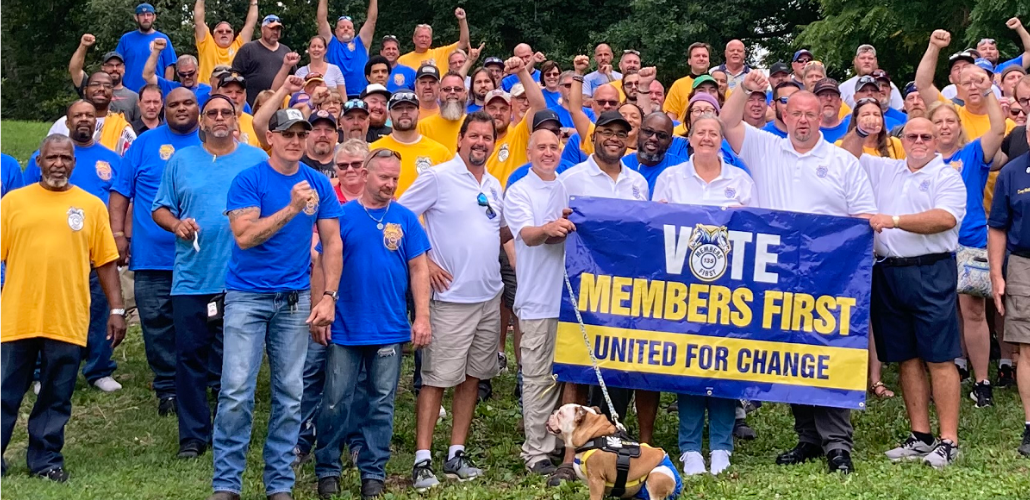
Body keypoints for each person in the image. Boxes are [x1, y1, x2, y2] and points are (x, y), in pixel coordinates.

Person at [723, 71, 876, 474]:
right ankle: (808, 436)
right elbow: (727, 122)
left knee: (828, 351)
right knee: (793, 354)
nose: (804, 120)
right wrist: (745, 86)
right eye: (796, 113)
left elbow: (863, 218)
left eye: (812, 113)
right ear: (783, 115)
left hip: (829, 274)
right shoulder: (764, 148)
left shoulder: (842, 162)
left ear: (824, 116)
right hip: (777, 271)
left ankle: (837, 443)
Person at [209, 108, 343, 500]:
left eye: (302, 134)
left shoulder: (318, 182)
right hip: (247, 297)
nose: (296, 141)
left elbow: (332, 243)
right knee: (236, 391)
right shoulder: (249, 179)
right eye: (288, 134)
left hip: (294, 300)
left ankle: (280, 483)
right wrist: (290, 209)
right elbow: (245, 237)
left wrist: (329, 297)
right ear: (271, 138)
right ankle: (226, 483)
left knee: (290, 393)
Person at [839, 117, 967, 469]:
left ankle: (949, 440)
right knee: (907, 357)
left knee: (939, 357)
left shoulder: (947, 176)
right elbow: (847, 156)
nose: (920, 140)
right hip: (890, 271)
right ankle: (921, 436)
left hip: (931, 269)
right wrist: (864, 130)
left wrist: (893, 220)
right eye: (912, 135)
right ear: (902, 139)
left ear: (939, 139)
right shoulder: (888, 169)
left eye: (927, 135)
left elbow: (944, 219)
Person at [1, 134, 127, 482]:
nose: (59, 164)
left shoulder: (90, 205)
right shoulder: (13, 203)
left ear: (74, 162)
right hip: (17, 317)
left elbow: (105, 262)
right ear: (39, 161)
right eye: (52, 157)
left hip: (67, 317)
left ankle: (45, 460)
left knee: (56, 395)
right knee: (4, 392)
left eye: (65, 158)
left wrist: (117, 309)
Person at [151, 95, 268, 460]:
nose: (219, 117)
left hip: (241, 280)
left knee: (235, 363)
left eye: (226, 112)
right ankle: (192, 436)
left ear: (237, 120)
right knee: (189, 359)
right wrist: (176, 223)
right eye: (212, 112)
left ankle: (229, 433)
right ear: (202, 121)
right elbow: (160, 207)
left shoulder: (256, 160)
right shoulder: (181, 161)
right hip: (192, 278)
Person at [398, 111, 511, 490]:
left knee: (472, 378)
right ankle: (422, 459)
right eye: (474, 136)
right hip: (450, 299)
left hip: (487, 297)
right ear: (460, 139)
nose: (481, 142)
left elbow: (498, 231)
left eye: (487, 137)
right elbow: (400, 215)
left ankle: (455, 454)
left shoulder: (494, 185)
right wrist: (425, 259)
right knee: (435, 379)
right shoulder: (439, 177)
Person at [312, 147, 431, 500]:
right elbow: (319, 264)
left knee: (381, 403)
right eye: (384, 177)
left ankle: (373, 472)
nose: (390, 184)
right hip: (346, 326)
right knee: (336, 400)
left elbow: (418, 268)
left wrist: (421, 316)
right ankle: (327, 469)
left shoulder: (406, 219)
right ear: (365, 175)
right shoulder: (341, 216)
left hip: (389, 327)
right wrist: (321, 309)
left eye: (395, 178)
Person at [548, 110, 649, 485]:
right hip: (581, 287)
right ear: (593, 138)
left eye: (621, 133)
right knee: (576, 366)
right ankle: (569, 454)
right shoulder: (571, 179)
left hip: (625, 292)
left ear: (628, 140)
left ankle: (613, 441)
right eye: (606, 131)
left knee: (620, 364)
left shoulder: (638, 183)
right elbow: (555, 224)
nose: (614, 138)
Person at [650, 115, 755, 475]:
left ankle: (722, 445)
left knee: (725, 361)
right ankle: (690, 447)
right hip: (683, 288)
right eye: (701, 133)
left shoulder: (740, 181)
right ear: (689, 139)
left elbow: (757, 231)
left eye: (714, 133)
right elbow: (653, 229)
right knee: (688, 361)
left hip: (729, 291)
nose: (707, 137)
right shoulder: (670, 178)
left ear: (721, 140)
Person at [110, 88, 202, 416]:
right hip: (152, 255)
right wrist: (119, 234)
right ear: (164, 108)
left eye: (187, 103)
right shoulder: (144, 143)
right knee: (157, 322)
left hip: (201, 257)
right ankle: (167, 387)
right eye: (173, 104)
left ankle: (200, 383)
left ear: (198, 107)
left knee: (200, 323)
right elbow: (121, 193)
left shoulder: (211, 142)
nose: (180, 109)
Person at [24, 101, 124, 393]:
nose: (84, 119)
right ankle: (42, 373)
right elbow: (27, 200)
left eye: (89, 115)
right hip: (52, 252)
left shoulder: (111, 159)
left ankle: (99, 369)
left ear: (97, 122)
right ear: (67, 122)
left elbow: (121, 200)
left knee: (99, 310)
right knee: (49, 312)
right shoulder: (40, 158)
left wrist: (120, 236)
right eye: (77, 115)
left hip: (95, 249)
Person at [925, 89, 1006, 408]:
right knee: (936, 313)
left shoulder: (972, 154)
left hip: (969, 240)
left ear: (959, 126)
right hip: (932, 244)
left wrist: (985, 91)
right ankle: (943, 375)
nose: (944, 126)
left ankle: (982, 380)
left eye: (950, 121)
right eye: (938, 121)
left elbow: (998, 130)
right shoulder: (918, 159)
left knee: (973, 312)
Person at [503, 129, 574, 475]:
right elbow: (527, 236)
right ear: (529, 152)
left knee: (566, 378)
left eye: (553, 147)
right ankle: (536, 451)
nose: (548, 153)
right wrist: (548, 227)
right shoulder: (519, 191)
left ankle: (563, 444)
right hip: (537, 299)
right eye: (541, 147)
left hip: (571, 300)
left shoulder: (569, 185)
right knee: (537, 378)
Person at [987, 123, 1030, 458]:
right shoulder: (1012, 172)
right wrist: (996, 273)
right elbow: (998, 227)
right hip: (1023, 265)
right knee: (1027, 350)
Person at [917, 30, 1017, 141]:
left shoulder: (1007, 124)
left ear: (990, 82)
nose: (973, 87)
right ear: (959, 87)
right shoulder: (952, 114)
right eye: (967, 83)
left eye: (979, 81)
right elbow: (923, 85)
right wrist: (933, 47)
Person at [370, 90, 451, 196]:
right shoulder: (373, 150)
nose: (404, 112)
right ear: (389, 115)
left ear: (419, 113)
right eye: (398, 108)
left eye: (410, 108)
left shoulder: (441, 153)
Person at [484, 57, 548, 186]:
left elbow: (539, 106)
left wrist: (522, 71)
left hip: (514, 202)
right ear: (483, 110)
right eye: (492, 108)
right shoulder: (476, 142)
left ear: (511, 110)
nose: (498, 113)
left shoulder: (519, 134)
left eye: (503, 108)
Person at [49, 72, 137, 156]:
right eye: (95, 84)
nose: (101, 89)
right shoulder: (63, 123)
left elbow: (132, 162)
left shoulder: (122, 129)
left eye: (107, 86)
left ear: (112, 92)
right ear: (85, 90)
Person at [69, 36, 140, 120]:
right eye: (110, 65)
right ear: (103, 68)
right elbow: (74, 70)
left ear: (124, 68)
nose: (114, 69)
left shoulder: (134, 97)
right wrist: (83, 46)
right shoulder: (92, 88)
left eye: (118, 65)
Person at [317, 0, 377, 98]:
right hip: (335, 96)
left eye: (349, 27)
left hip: (361, 94)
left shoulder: (362, 42)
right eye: (342, 27)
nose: (345, 29)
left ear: (353, 31)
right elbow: (321, 21)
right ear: (336, 31)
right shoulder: (330, 43)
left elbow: (371, 21)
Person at [194, 0, 259, 86]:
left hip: (232, 93)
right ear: (213, 35)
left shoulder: (239, 46)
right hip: (208, 92)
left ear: (233, 35)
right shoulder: (206, 44)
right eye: (220, 31)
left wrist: (253, 1)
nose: (224, 33)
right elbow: (198, 22)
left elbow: (250, 25)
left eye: (228, 31)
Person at [231, 15, 291, 105]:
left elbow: (292, 78)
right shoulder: (248, 49)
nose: (275, 32)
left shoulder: (286, 51)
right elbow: (235, 76)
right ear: (262, 29)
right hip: (251, 105)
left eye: (278, 29)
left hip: (279, 106)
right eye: (272, 29)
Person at [117, 3, 176, 92]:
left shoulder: (162, 39)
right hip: (130, 93)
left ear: (154, 17)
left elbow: (169, 66)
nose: (146, 18)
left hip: (155, 93)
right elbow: (117, 65)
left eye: (149, 15)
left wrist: (166, 91)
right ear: (136, 17)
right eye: (142, 15)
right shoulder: (126, 39)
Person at [624, 112, 683, 195]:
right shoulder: (621, 166)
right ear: (639, 133)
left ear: (670, 142)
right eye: (648, 132)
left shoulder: (681, 169)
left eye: (661, 135)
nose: (653, 138)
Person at [397, 8, 470, 71]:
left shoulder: (442, 53)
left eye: (427, 37)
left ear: (431, 40)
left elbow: (463, 42)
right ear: (414, 39)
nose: (424, 39)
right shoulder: (402, 60)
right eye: (421, 36)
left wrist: (462, 20)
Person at [833, 98, 905, 159]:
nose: (872, 118)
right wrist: (861, 131)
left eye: (876, 115)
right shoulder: (839, 145)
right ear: (856, 119)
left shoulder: (896, 144)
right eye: (865, 115)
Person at [418, 72, 470, 155]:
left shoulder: (472, 124)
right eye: (447, 89)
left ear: (465, 94)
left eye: (457, 89)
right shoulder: (423, 127)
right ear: (439, 94)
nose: (452, 92)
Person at [840, 44, 903, 110]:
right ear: (855, 60)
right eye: (862, 58)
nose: (867, 61)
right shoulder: (844, 88)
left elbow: (898, 111)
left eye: (870, 58)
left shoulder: (888, 86)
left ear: (876, 61)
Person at [144, 39, 212, 98]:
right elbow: (147, 76)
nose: (187, 77)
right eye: (183, 74)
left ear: (197, 70)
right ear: (177, 73)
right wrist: (156, 51)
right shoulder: (169, 87)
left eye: (190, 73)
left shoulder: (209, 91)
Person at [664, 42, 712, 120]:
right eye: (697, 56)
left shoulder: (718, 84)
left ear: (709, 62)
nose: (701, 58)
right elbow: (671, 116)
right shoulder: (678, 85)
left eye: (704, 56)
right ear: (689, 61)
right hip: (683, 130)